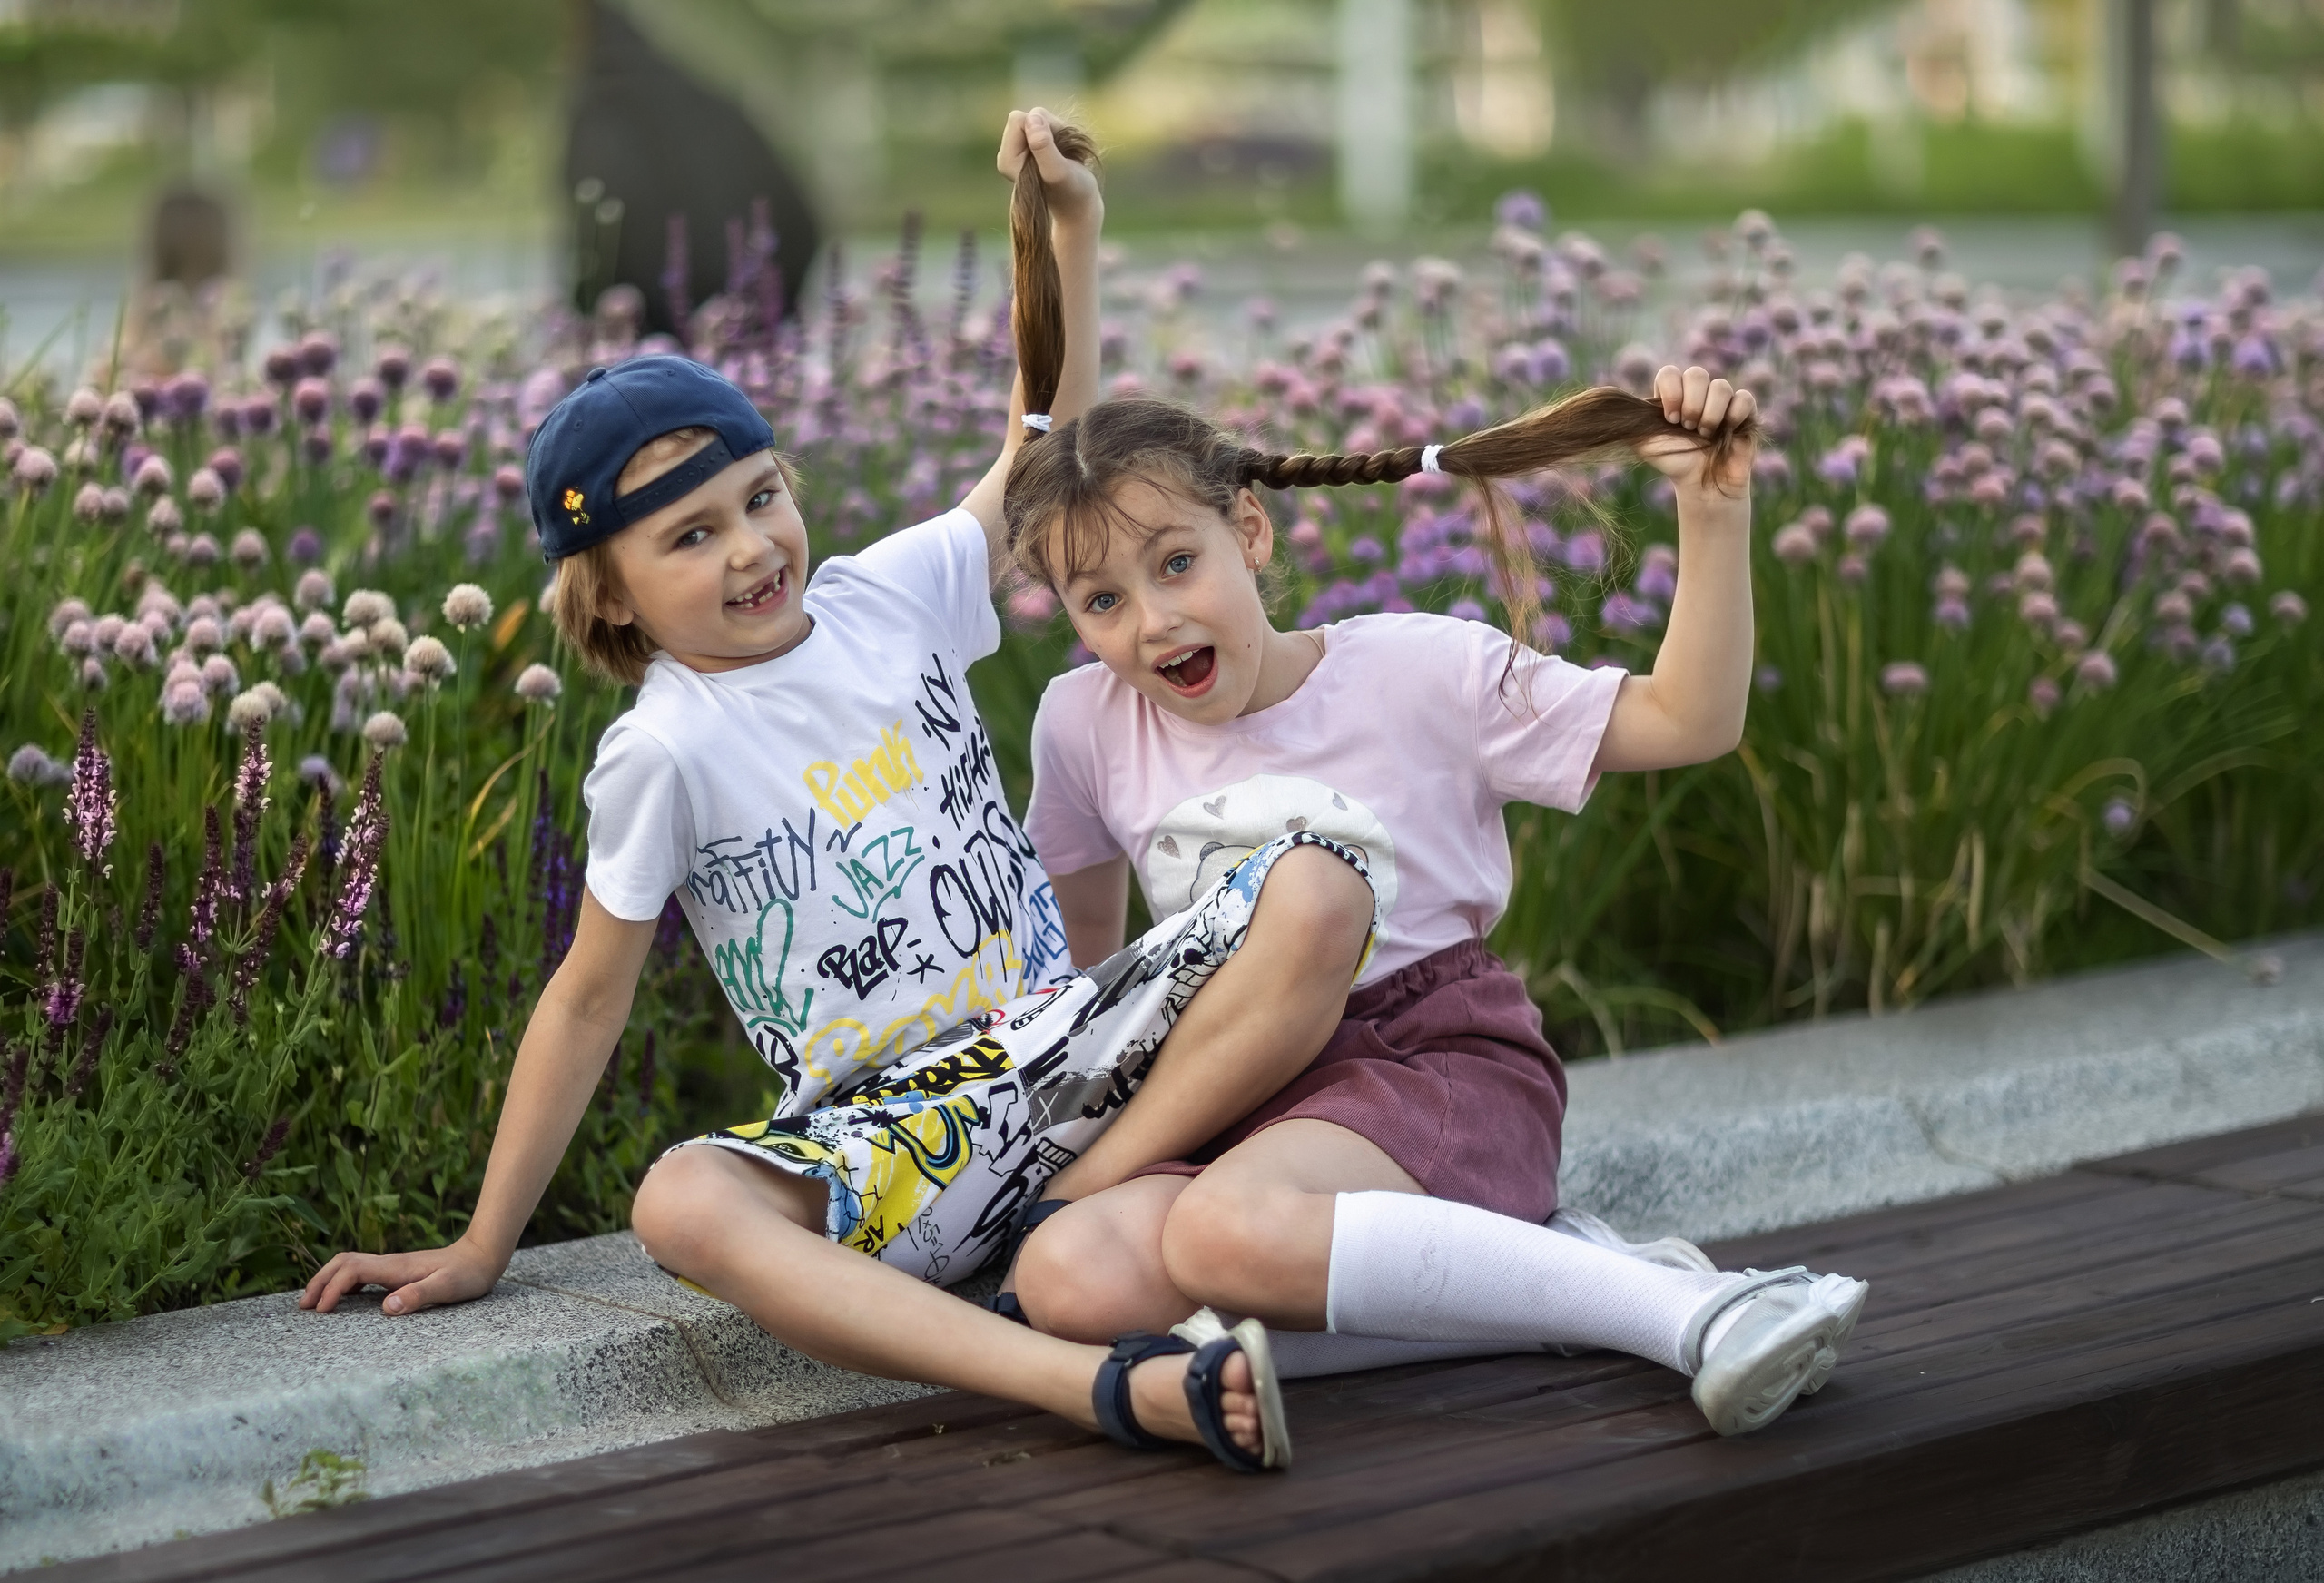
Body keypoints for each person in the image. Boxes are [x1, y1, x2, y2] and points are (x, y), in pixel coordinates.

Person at [300, 110, 1373, 1473]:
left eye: (761, 497)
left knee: (1317, 877)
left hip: (1082, 1055)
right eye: (693, 536)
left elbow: (1043, 438)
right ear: (610, 592)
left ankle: (1089, 1204)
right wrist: (483, 1240)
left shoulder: (889, 596)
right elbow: (587, 994)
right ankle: (1098, 1386)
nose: (753, 548)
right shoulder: (665, 746)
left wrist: (1067, 234)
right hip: (899, 1149)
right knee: (681, 1201)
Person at [996, 331, 1874, 1449]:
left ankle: (1691, 1308)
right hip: (1234, 1080)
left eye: (1177, 564)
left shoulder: (1417, 669)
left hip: (1432, 1057)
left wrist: (1713, 511)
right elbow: (1085, 971)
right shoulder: (1081, 723)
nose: (1152, 620)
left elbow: (1690, 721)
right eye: (1100, 599)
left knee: (1222, 1236)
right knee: (1069, 1276)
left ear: (1250, 531)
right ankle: (1552, 1279)